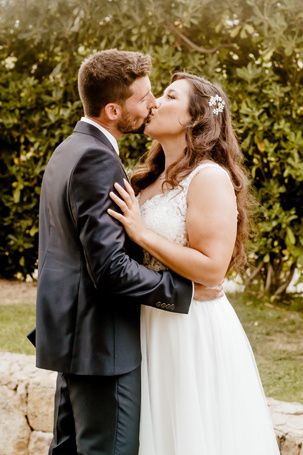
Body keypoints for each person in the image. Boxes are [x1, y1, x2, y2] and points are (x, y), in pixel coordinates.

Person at [28, 51, 221, 455]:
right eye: (145, 97)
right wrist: (182, 290)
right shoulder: (98, 159)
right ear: (114, 109)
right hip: (103, 345)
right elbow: (110, 268)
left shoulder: (69, 149)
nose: (151, 104)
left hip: (77, 340)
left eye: (161, 95)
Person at [108, 72, 280, 454]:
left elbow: (213, 269)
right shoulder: (145, 180)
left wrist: (143, 233)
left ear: (194, 118)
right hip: (149, 320)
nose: (154, 102)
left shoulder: (208, 177)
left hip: (191, 327)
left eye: (169, 96)